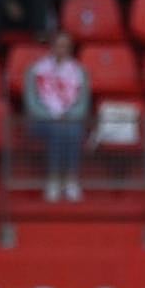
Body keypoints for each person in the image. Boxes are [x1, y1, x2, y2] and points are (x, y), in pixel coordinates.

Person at [25, 32, 90, 203]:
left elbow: (83, 104)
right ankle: (54, 179)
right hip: (41, 121)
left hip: (70, 121)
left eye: (66, 46)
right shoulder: (36, 70)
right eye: (59, 45)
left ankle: (70, 180)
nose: (62, 49)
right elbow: (32, 103)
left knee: (72, 130)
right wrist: (51, 116)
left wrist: (68, 116)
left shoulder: (79, 71)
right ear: (52, 47)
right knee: (58, 130)